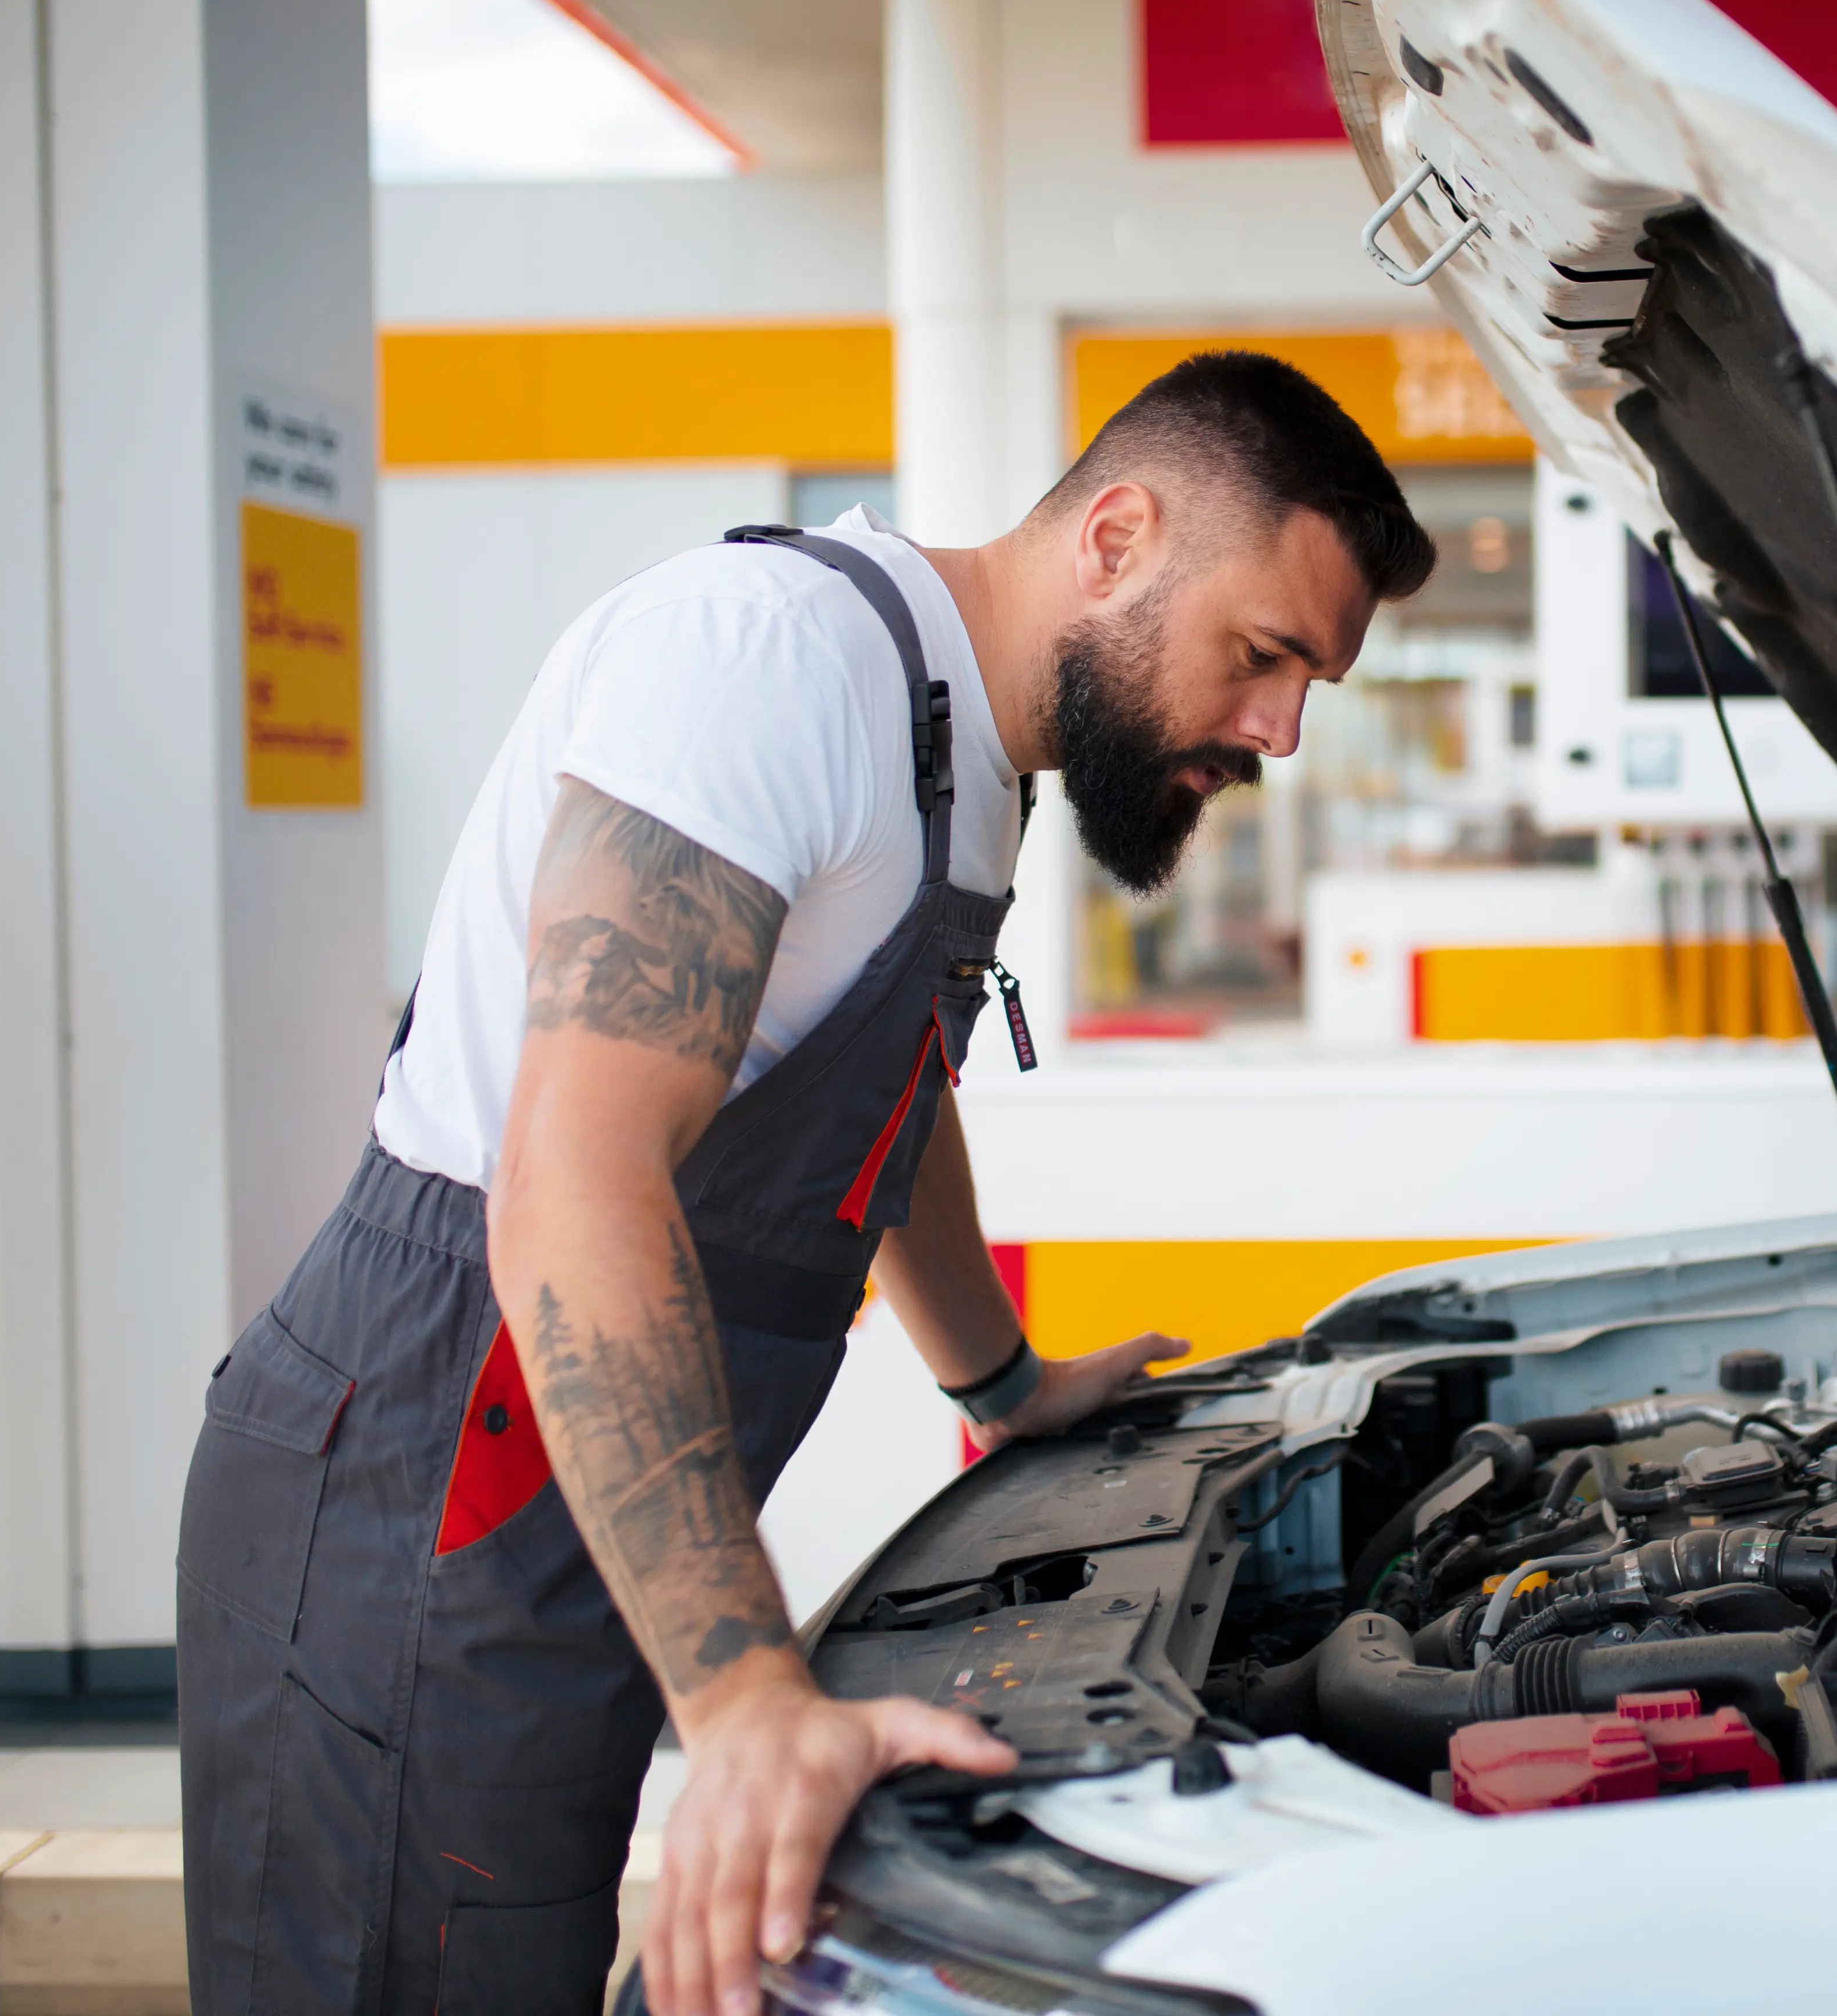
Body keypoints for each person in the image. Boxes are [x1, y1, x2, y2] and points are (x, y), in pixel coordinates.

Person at [175, 352, 1436, 2016]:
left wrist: (1001, 1379)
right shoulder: (770, 664)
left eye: (1311, 687)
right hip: (428, 1475)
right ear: (1119, 537)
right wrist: (747, 1696)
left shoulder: (961, 766)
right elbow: (571, 1179)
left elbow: (878, 1106)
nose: (1277, 729)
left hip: (551, 1506)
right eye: (1265, 655)